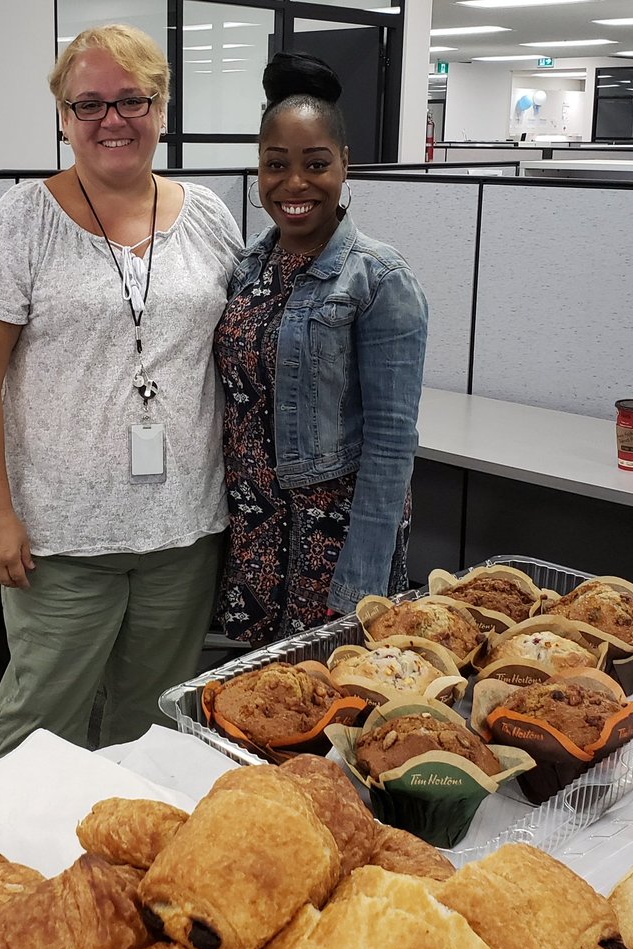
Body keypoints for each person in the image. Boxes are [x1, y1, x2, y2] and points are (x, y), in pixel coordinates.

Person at [0, 24, 242, 756]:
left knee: (152, 730)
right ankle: (14, 867)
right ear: (62, 117)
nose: (112, 120)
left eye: (131, 100)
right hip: (60, 538)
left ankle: (121, 869)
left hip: (182, 530)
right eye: (89, 104)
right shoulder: (22, 220)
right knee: (37, 729)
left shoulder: (208, 215)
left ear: (162, 108)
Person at [214, 52, 429, 645]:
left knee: (332, 705)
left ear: (344, 165)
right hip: (255, 526)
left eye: (315, 164)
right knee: (263, 701)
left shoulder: (379, 279)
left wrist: (360, 579)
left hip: (333, 537)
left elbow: (391, 445)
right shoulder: (249, 267)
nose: (294, 183)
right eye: (275, 165)